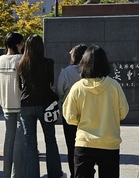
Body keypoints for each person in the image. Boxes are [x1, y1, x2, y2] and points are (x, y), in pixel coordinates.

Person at [63, 45, 129, 177]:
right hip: (109, 143)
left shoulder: (77, 87)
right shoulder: (114, 85)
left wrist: (81, 120)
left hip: (84, 142)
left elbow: (69, 117)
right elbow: (123, 112)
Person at [18, 35, 66, 178]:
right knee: (50, 139)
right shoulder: (48, 63)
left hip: (26, 104)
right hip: (45, 104)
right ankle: (55, 174)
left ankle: (32, 175)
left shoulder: (22, 64)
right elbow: (50, 83)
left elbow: (21, 85)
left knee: (29, 143)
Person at [55, 43, 87, 178]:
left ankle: (74, 173)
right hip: (87, 113)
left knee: (71, 146)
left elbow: (59, 92)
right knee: (86, 146)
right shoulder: (90, 71)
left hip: (70, 114)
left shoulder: (66, 72)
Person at [0, 32, 26, 178]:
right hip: (20, 102)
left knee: (9, 139)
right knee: (20, 140)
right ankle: (18, 174)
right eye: (21, 43)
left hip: (6, 103)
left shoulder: (0, 59)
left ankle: (6, 172)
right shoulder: (20, 59)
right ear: (17, 44)